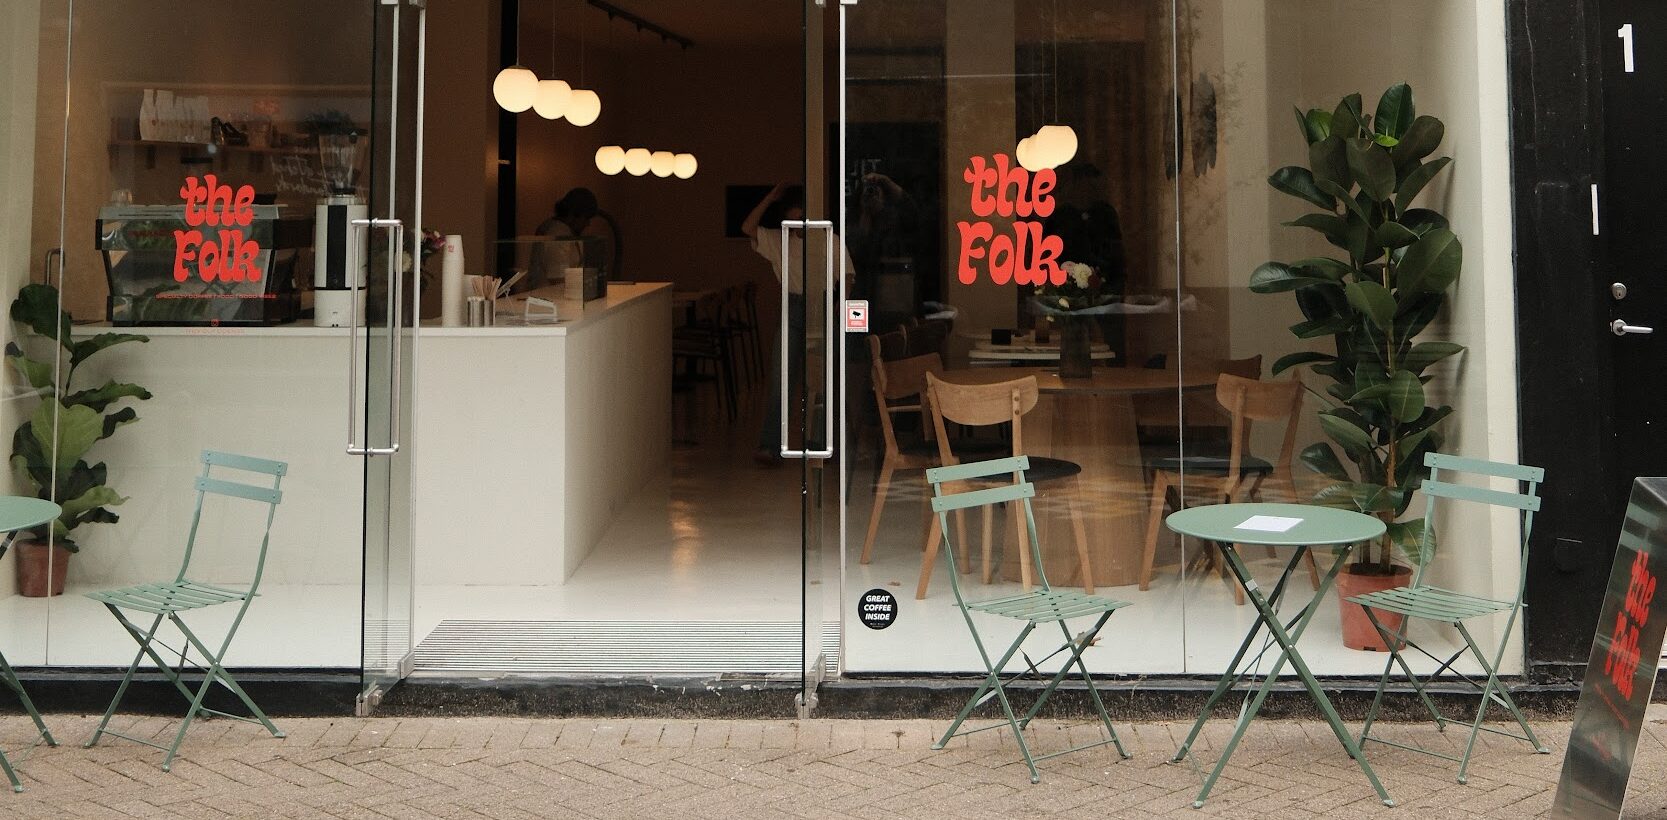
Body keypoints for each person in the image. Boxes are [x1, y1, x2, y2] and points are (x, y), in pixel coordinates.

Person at [743, 183, 854, 466]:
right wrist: (768, 197)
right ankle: (770, 445)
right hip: (791, 304)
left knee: (822, 378)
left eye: (802, 220)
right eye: (793, 221)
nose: (798, 227)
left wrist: (840, 303)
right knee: (782, 378)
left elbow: (848, 275)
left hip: (823, 304)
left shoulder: (829, 240)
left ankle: (819, 442)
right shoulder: (779, 239)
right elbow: (748, 227)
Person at [527, 188, 599, 290]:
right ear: (572, 214)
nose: (587, 224)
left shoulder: (564, 232)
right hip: (549, 297)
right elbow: (559, 279)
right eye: (585, 218)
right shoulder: (557, 234)